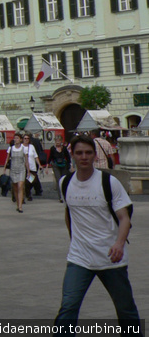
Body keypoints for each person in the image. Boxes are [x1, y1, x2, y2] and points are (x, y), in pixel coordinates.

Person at [54, 135, 139, 331]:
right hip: (80, 257)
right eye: (79, 153)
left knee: (125, 310)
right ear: (72, 155)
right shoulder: (65, 182)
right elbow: (69, 213)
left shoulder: (109, 182)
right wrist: (74, 240)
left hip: (110, 256)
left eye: (88, 153)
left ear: (94, 155)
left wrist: (119, 243)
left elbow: (124, 217)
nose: (84, 157)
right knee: (68, 307)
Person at [5, 132, 30, 213]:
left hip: (21, 169)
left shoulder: (24, 148)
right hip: (13, 169)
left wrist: (28, 171)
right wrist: (4, 168)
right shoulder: (11, 148)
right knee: (15, 187)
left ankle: (20, 206)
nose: (16, 140)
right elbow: (7, 159)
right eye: (15, 138)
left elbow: (26, 161)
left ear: (20, 139)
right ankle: (17, 203)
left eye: (17, 138)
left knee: (20, 186)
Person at [48, 136, 72, 203]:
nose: (58, 142)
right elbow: (50, 157)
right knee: (58, 180)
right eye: (56, 141)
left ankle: (65, 195)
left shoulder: (64, 148)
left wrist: (70, 165)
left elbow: (68, 157)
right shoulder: (53, 148)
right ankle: (60, 197)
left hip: (63, 165)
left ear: (61, 141)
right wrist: (47, 166)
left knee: (64, 180)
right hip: (56, 165)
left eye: (59, 141)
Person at [22, 134, 43, 199]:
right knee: (27, 182)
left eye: (27, 138)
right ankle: (28, 195)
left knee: (33, 180)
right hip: (24, 167)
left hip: (32, 166)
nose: (26, 140)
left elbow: (35, 156)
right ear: (23, 139)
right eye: (25, 138)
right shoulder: (21, 147)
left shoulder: (31, 146)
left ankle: (27, 192)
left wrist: (39, 164)